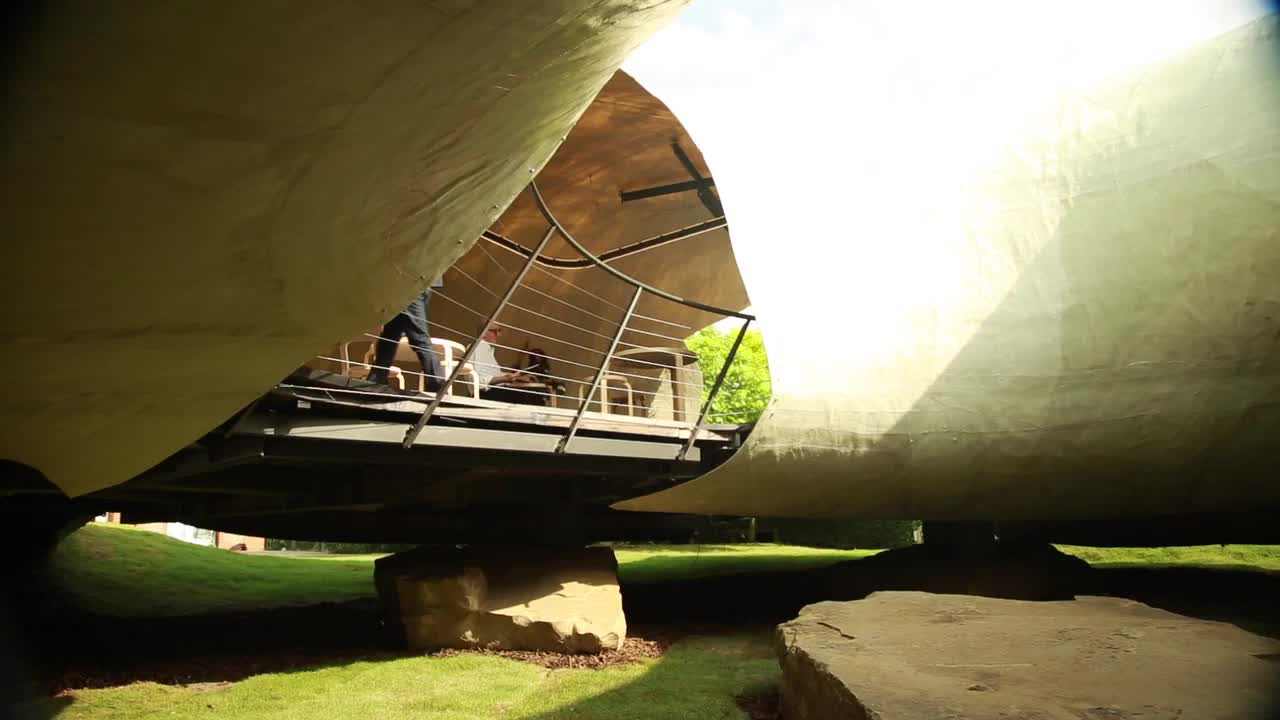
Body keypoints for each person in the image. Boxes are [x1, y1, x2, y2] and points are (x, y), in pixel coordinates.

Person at [368, 276, 444, 391]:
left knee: (419, 337)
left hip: (411, 284)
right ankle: (376, 379)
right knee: (390, 335)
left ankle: (436, 383)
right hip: (411, 283)